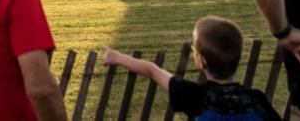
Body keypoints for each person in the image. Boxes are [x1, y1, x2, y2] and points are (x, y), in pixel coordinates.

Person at [103, 16, 280, 120]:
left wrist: (117, 57)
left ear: (199, 61)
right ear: (238, 57)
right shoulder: (257, 100)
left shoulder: (194, 96)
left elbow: (153, 71)